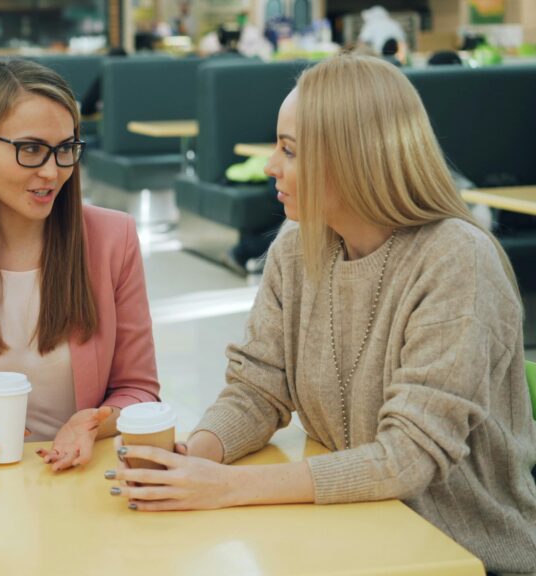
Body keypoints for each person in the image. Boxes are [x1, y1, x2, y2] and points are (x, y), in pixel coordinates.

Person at [105, 54, 536, 575]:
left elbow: (407, 458)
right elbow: (258, 388)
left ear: (356, 158)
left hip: (464, 555)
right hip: (357, 532)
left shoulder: (456, 259)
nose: (269, 165)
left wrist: (229, 488)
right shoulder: (298, 244)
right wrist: (199, 454)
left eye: (289, 150)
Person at [0, 59, 160, 470]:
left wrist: (90, 425)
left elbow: (139, 390)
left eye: (66, 149)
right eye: (31, 149)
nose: (53, 172)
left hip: (80, 481)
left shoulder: (114, 239)